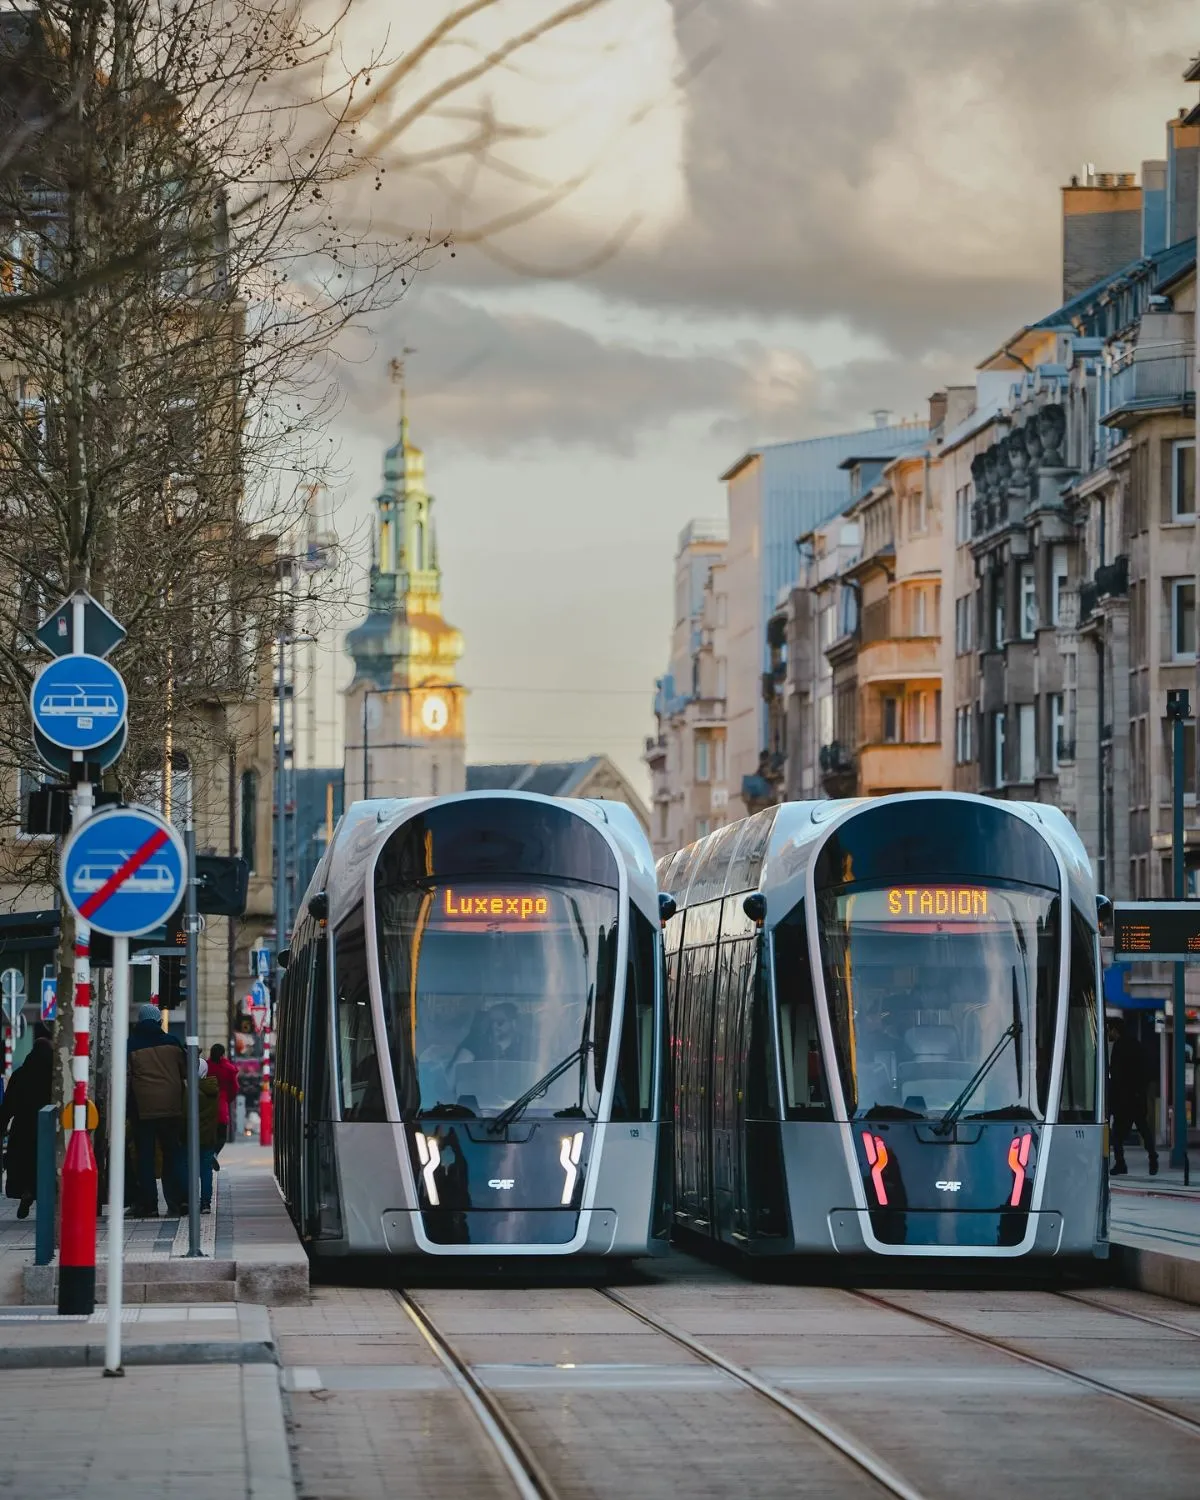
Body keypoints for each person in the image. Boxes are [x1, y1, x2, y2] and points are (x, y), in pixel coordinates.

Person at [128, 1002, 187, 1215]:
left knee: (145, 1157)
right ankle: (179, 1201)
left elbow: (126, 1078)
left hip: (142, 1110)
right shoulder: (172, 1042)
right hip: (172, 1108)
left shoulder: (131, 1045)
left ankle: (148, 1204)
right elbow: (185, 1071)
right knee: (173, 1154)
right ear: (159, 1021)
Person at [0, 1022, 54, 1218]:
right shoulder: (55, 1076)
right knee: (47, 1165)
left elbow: (8, 1105)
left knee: (25, 1164)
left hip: (23, 1128)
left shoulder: (21, 1074)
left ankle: (27, 1191)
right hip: (49, 1128)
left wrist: (3, 1125)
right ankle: (48, 1198)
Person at [1108, 1015, 1158, 1177]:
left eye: (1110, 1029)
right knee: (1144, 1128)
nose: (1109, 1033)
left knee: (1116, 1135)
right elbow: (1145, 1070)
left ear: (1115, 1030)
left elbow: (1116, 1076)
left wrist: (1112, 1100)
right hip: (1137, 1097)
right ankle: (1152, 1157)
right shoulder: (1136, 1044)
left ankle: (1121, 1163)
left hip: (1124, 1100)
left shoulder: (1119, 1047)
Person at [196, 1057, 221, 1214]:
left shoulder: (190, 1091)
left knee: (187, 1168)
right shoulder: (212, 1090)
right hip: (208, 1137)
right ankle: (205, 1202)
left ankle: (189, 1200)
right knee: (206, 1170)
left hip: (189, 1138)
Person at [208, 1043, 240, 1160]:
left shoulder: (206, 1067)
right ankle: (214, 1154)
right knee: (222, 1136)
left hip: (207, 1109)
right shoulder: (228, 1069)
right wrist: (227, 1099)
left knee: (208, 1137)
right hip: (221, 1107)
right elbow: (234, 1088)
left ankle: (209, 1155)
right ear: (222, 1054)